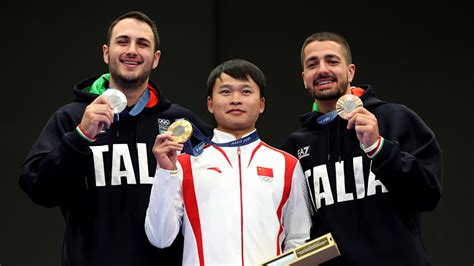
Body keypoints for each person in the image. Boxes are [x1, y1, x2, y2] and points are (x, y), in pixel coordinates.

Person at [19, 11, 211, 266]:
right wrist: (80, 137)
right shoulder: (73, 117)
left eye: (142, 44)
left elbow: (220, 192)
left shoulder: (180, 123)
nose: (132, 50)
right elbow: (39, 190)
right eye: (123, 41)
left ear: (155, 59)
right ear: (106, 52)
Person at [280, 31, 443, 265]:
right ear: (304, 77)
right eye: (312, 64)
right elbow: (296, 234)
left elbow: (428, 195)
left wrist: (380, 148)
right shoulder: (294, 148)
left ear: (350, 71)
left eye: (332, 61)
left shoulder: (395, 119)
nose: (322, 69)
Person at [145, 59, 312, 265]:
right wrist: (164, 172)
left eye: (246, 91)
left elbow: (300, 239)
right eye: (225, 92)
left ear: (261, 104)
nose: (235, 99)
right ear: (210, 103)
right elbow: (160, 238)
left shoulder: (287, 165)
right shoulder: (184, 164)